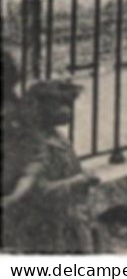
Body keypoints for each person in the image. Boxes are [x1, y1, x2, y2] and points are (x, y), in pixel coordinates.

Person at [1, 79, 106, 254]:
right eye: (60, 106)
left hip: (71, 220)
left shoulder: (57, 136)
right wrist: (79, 181)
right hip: (45, 227)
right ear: (40, 108)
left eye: (68, 105)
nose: (67, 111)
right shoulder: (31, 144)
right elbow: (36, 192)